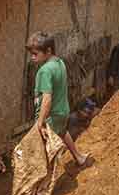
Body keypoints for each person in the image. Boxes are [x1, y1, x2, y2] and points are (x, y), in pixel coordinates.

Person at [28, 32, 90, 166]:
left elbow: (47, 98)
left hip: (50, 116)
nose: (32, 57)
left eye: (35, 54)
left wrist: (40, 122)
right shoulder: (59, 62)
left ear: (48, 51)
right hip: (62, 111)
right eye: (31, 54)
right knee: (62, 132)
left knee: (44, 151)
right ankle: (79, 157)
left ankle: (46, 182)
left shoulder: (45, 71)